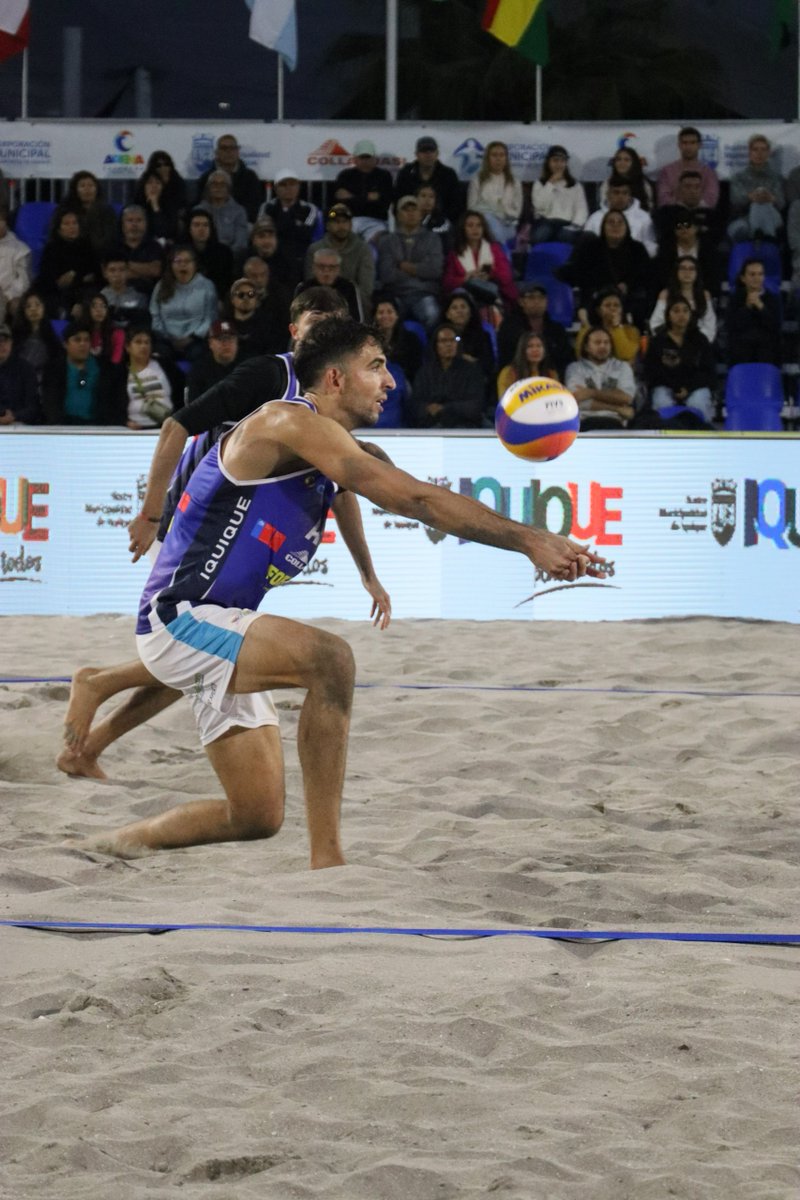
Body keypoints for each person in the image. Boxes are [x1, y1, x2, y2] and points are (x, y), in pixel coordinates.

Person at [64, 316, 605, 864]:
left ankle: (114, 844)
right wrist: (529, 540)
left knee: (256, 817)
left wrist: (532, 543)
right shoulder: (283, 421)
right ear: (336, 378)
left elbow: (407, 500)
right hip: (178, 618)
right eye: (376, 367)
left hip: (221, 621)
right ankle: (329, 864)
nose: (391, 382)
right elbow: (413, 500)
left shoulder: (339, 450)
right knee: (332, 661)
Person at [56, 288, 350, 780]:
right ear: (294, 329)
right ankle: (98, 684)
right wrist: (151, 514)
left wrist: (368, 572)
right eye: (316, 320)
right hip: (200, 522)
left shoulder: (331, 397)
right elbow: (176, 426)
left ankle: (88, 744)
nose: (325, 331)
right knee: (196, 646)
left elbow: (341, 488)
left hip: (239, 535)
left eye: (334, 324)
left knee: (201, 655)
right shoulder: (269, 375)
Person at [558, 209, 652, 326]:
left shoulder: (637, 249)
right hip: (598, 295)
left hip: (629, 296)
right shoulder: (591, 248)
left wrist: (628, 284)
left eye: (620, 222)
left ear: (626, 226)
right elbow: (581, 274)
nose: (615, 226)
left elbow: (646, 274)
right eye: (611, 222)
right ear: (603, 226)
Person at [643, 297, 716, 424]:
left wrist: (688, 388)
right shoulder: (658, 340)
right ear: (668, 315)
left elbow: (708, 371)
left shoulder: (700, 339)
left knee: (699, 402)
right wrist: (675, 387)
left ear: (690, 314)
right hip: (666, 385)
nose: (681, 315)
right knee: (661, 400)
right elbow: (652, 371)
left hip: (694, 387)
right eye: (676, 311)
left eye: (685, 311)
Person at [376, 195, 444, 330]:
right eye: (406, 210)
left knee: (432, 314)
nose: (411, 213)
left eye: (414, 209)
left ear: (421, 214)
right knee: (384, 317)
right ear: (398, 215)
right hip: (396, 294)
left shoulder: (433, 239)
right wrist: (419, 270)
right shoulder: (387, 241)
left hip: (424, 294)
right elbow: (387, 274)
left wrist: (402, 265)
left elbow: (435, 270)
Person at [41, 321, 121, 425]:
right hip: (63, 427)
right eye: (77, 340)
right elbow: (50, 402)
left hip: (98, 426)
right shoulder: (53, 369)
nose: (83, 344)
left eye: (86, 340)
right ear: (65, 344)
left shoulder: (105, 368)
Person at [149, 245, 219, 363]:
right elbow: (155, 314)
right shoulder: (161, 285)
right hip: (166, 338)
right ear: (171, 265)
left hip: (195, 339)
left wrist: (192, 338)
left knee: (199, 354)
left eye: (187, 261)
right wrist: (167, 337)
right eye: (178, 261)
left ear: (195, 264)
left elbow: (210, 317)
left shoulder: (207, 286)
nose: (183, 265)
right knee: (160, 355)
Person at [410, 321, 485, 428]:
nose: (449, 344)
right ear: (436, 345)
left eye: (453, 340)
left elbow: (476, 405)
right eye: (443, 341)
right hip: (432, 425)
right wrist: (427, 408)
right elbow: (415, 404)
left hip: (464, 426)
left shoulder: (471, 370)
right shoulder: (425, 372)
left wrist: (446, 408)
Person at [305, 203, 375, 315]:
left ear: (351, 225)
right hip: (320, 301)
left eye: (345, 222)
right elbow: (310, 282)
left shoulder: (363, 249)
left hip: (353, 300)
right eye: (336, 222)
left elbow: (366, 288)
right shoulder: (315, 249)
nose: (341, 226)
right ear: (327, 225)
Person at [496, 280, 573, 379]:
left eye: (541, 298)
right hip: (517, 378)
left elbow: (566, 359)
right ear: (521, 302)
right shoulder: (509, 327)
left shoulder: (557, 329)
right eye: (531, 297)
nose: (537, 301)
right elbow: (506, 359)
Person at [564, 325, 636, 431]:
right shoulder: (575, 368)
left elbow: (626, 397)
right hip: (584, 422)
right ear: (586, 347)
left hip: (615, 422)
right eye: (597, 342)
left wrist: (591, 393)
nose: (603, 346)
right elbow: (577, 401)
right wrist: (617, 408)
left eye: (606, 342)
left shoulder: (622, 367)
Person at [442, 209, 518, 310]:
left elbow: (506, 276)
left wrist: (490, 273)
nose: (475, 229)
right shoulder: (455, 253)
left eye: (479, 225)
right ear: (463, 229)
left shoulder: (494, 248)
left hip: (496, 291)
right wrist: (466, 278)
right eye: (470, 225)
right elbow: (447, 283)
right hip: (467, 296)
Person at [257, 169, 319, 287]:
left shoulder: (309, 208)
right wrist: (293, 223)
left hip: (299, 257)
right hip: (272, 255)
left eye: (292, 184)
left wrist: (280, 224)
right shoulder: (266, 207)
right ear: (275, 188)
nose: (288, 188)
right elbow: (264, 231)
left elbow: (305, 234)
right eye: (283, 185)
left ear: (298, 186)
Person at [35, 208, 99, 317]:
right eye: (66, 224)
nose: (72, 227)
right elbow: (48, 277)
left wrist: (75, 278)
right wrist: (77, 278)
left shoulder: (87, 247)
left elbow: (93, 274)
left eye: (75, 223)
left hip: (83, 292)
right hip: (56, 293)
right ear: (59, 229)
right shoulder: (51, 249)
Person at [727, 134, 786, 244]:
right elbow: (735, 201)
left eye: (763, 150)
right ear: (749, 153)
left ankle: (757, 240)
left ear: (768, 153)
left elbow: (781, 204)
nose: (759, 154)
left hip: (772, 217)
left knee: (760, 205)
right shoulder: (738, 177)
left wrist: (770, 198)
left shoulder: (776, 178)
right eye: (755, 150)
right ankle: (766, 241)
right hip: (742, 218)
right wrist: (750, 197)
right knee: (742, 227)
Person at [723, 257, 782, 366]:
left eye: (760, 274)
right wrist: (747, 307)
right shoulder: (735, 299)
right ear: (743, 278)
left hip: (767, 354)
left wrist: (761, 307)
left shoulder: (772, 299)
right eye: (752, 274)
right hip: (741, 354)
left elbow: (776, 326)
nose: (757, 278)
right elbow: (731, 326)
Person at [332, 139, 394, 242]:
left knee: (378, 241)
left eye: (368, 157)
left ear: (375, 159)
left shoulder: (384, 176)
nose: (365, 161)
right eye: (362, 157)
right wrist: (368, 198)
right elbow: (339, 200)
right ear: (355, 159)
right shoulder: (345, 175)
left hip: (376, 221)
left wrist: (352, 197)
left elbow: (384, 203)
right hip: (349, 220)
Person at [393, 135, 462, 225]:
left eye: (431, 151)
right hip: (410, 222)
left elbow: (455, 205)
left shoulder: (448, 174)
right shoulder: (406, 173)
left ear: (437, 154)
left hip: (442, 222)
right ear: (416, 154)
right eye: (424, 151)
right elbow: (398, 202)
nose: (428, 155)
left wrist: (438, 219)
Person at [648, 256, 716, 344]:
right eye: (683, 268)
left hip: (699, 345)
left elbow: (710, 326)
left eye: (691, 269)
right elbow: (656, 324)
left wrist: (696, 342)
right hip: (670, 343)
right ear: (676, 272)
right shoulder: (665, 295)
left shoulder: (704, 295)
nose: (687, 272)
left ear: (697, 273)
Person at [195, 134, 263, 222]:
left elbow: (254, 207)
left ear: (238, 151)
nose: (228, 152)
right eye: (224, 148)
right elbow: (200, 205)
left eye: (232, 148)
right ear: (216, 153)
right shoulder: (206, 178)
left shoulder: (250, 177)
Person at [583, 177, 658, 257]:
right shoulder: (595, 218)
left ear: (630, 196)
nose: (620, 197)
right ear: (608, 195)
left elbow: (651, 246)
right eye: (616, 192)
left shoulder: (644, 217)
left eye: (625, 193)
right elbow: (586, 246)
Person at [466, 141, 522, 246]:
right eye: (494, 155)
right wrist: (491, 212)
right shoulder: (478, 180)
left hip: (507, 225)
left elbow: (517, 211)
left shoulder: (514, 182)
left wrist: (502, 212)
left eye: (502, 155)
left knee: (496, 230)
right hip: (483, 226)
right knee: (489, 218)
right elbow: (471, 208)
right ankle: (503, 255)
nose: (498, 159)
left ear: (506, 158)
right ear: (488, 158)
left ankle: (499, 251)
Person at [529, 145, 589, 244]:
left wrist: (575, 225)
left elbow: (581, 209)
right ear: (548, 162)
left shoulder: (574, 185)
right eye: (555, 161)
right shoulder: (540, 183)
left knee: (565, 236)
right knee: (539, 236)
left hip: (568, 223)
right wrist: (551, 183)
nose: (559, 164)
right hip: (546, 222)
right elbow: (539, 206)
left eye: (562, 161)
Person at [121, 324, 177, 429]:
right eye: (138, 342)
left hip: (166, 426)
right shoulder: (120, 373)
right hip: (134, 429)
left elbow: (179, 392)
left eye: (147, 342)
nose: (143, 346)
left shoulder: (165, 365)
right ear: (128, 347)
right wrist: (125, 422)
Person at [656, 127, 719, 209]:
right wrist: (682, 207)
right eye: (685, 143)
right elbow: (663, 198)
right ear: (679, 145)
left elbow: (711, 199)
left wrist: (692, 208)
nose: (688, 147)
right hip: (674, 215)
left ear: (699, 145)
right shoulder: (667, 171)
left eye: (693, 143)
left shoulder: (709, 172)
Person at [575, 286, 641, 364]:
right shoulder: (588, 330)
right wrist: (585, 323)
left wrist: (616, 327)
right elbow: (581, 355)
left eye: (616, 305)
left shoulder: (631, 331)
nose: (613, 308)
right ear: (598, 311)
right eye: (607, 305)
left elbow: (625, 355)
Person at [12, 288, 63, 388]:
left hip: (46, 383)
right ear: (23, 311)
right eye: (28, 306)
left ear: (44, 308)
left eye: (37, 305)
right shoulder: (16, 335)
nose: (33, 309)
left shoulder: (52, 335)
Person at [442, 288, 495, 381]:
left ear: (470, 312)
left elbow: (489, 367)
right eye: (454, 308)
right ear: (447, 314)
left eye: (463, 307)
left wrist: (472, 362)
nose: (459, 311)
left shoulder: (483, 337)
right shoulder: (439, 336)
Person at [224, 276, 284, 357]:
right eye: (241, 295)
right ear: (232, 299)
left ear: (256, 299)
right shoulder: (224, 324)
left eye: (251, 294)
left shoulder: (268, 325)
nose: (246, 298)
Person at [61, 170, 117, 257]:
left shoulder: (107, 210)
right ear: (75, 190)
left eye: (91, 185)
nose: (87, 189)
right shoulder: (65, 210)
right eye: (82, 186)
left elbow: (111, 237)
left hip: (101, 255)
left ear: (97, 188)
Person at [113, 205, 164, 298]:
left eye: (139, 220)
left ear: (146, 224)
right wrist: (144, 273)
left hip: (149, 296)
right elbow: (110, 274)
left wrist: (125, 265)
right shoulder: (113, 246)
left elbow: (155, 270)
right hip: (117, 295)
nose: (134, 225)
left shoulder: (154, 246)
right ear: (122, 225)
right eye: (130, 220)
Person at [183, 206, 234, 299]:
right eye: (196, 225)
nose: (201, 229)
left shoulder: (224, 252)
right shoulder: (180, 252)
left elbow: (227, 283)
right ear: (189, 228)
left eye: (205, 225)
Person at [298, 248, 362, 320]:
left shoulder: (349, 287)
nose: (326, 272)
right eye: (321, 267)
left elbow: (356, 319)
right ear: (313, 268)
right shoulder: (303, 288)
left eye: (332, 267)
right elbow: (296, 318)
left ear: (338, 269)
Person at [186, 319, 240, 403]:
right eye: (220, 339)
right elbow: (193, 405)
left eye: (230, 338)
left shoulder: (248, 365)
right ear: (210, 343)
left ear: (237, 342)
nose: (226, 343)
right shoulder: (199, 370)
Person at [372, 293, 423, 383]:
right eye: (381, 312)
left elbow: (415, 368)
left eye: (390, 312)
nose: (385, 316)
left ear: (397, 315)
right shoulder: (369, 341)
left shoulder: (411, 339)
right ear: (375, 317)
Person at [199, 170, 249, 259]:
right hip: (203, 257)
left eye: (223, 184)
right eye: (214, 184)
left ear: (229, 188)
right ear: (208, 188)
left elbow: (241, 242)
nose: (218, 187)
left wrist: (226, 256)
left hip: (231, 258)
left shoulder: (239, 211)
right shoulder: (199, 210)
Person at [135, 150, 188, 232]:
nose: (163, 168)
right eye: (158, 165)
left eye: (167, 164)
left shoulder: (178, 186)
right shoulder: (139, 198)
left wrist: (155, 206)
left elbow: (166, 229)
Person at [496, 331, 559, 399]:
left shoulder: (551, 374)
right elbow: (504, 400)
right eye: (530, 346)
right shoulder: (508, 373)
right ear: (522, 350)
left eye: (539, 346)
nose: (535, 350)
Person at [0, 321, 41, 424]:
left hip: (19, 425)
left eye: (5, 340)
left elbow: (33, 407)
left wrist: (14, 416)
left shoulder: (25, 369)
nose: (2, 344)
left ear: (11, 343)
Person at [99, 254, 150, 329]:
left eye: (122, 270)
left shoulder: (139, 295)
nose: (117, 275)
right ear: (105, 273)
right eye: (112, 270)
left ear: (128, 271)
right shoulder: (100, 297)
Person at [0, 205, 31, 322]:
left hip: (10, 296)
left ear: (5, 222)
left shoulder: (20, 249)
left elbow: (23, 280)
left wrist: (7, 296)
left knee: (17, 305)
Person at [598, 146, 654, 212]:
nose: (622, 163)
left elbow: (649, 208)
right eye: (618, 159)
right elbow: (605, 207)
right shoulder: (607, 183)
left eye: (626, 160)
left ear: (634, 163)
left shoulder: (643, 184)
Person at [134, 169, 181, 244]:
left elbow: (164, 232)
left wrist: (155, 206)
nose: (154, 186)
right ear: (143, 186)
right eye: (150, 182)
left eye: (158, 183)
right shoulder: (135, 206)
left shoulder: (170, 207)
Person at [79, 292, 126, 364]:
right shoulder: (79, 332)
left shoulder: (117, 333)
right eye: (94, 306)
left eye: (103, 306)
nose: (99, 310)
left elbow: (115, 362)